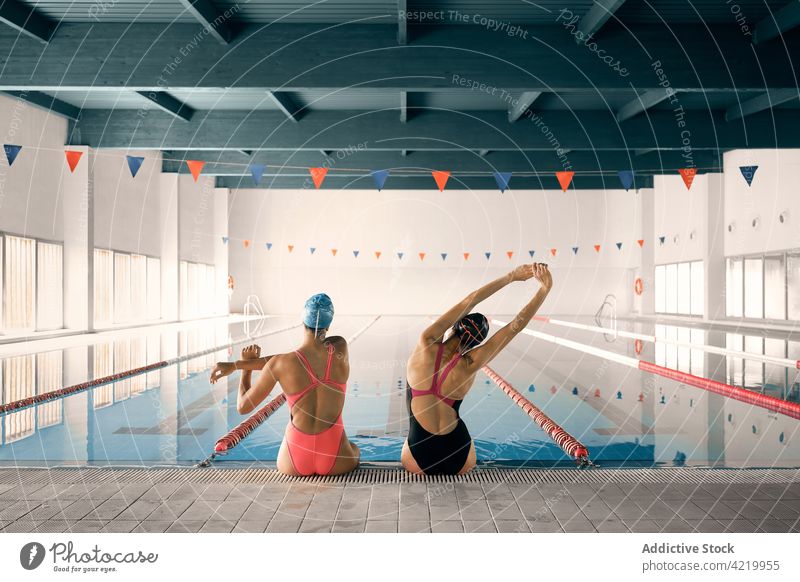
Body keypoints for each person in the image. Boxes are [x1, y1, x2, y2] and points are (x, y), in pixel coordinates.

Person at [402, 263, 553, 475]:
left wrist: (511, 276)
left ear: (455, 326)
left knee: (408, 444)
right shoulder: (471, 364)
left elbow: (470, 301)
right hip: (459, 457)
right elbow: (514, 327)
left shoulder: (425, 343)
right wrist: (544, 289)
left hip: (419, 460)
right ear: (475, 343)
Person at [210, 293, 360, 476]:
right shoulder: (340, 347)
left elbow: (243, 406)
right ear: (328, 325)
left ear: (302, 322)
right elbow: (297, 357)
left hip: (294, 460)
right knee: (354, 449)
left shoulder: (281, 364)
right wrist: (238, 365)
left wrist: (243, 367)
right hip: (336, 459)